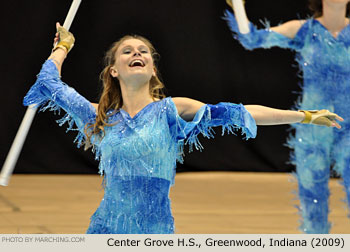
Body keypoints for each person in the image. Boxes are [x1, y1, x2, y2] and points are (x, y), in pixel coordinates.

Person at [23, 22, 342, 234]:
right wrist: (64, 45)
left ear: (152, 68)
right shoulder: (99, 117)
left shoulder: (174, 111)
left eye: (143, 51)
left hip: (157, 233)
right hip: (105, 230)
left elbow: (241, 112)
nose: (137, 53)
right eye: (128, 51)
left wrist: (304, 116)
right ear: (114, 71)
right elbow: (49, 82)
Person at [224, 0, 350, 233]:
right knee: (313, 202)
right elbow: (251, 39)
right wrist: (239, 6)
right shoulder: (303, 29)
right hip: (313, 125)